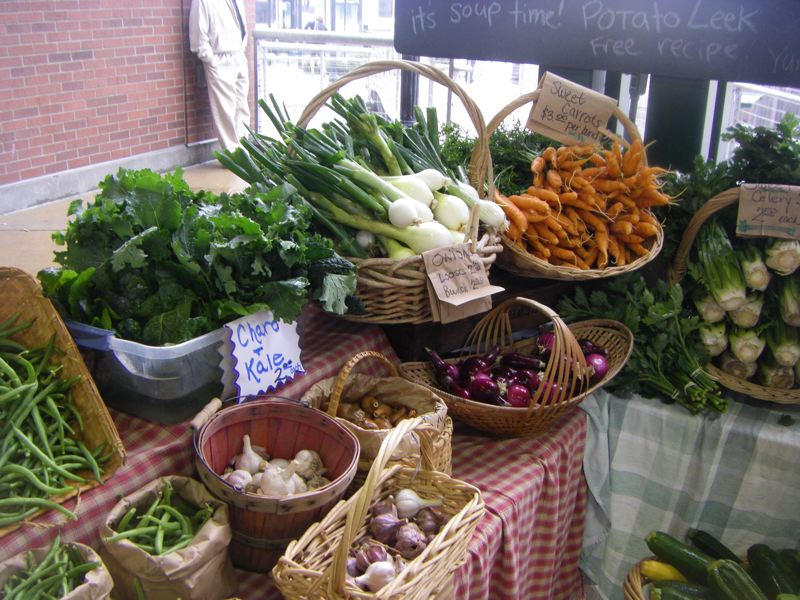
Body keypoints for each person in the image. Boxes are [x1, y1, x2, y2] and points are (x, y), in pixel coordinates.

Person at [189, 0, 251, 151]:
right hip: (219, 59)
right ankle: (233, 153)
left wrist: (242, 49)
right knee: (225, 111)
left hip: (238, 55)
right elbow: (198, 36)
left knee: (242, 106)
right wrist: (211, 60)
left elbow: (241, 23)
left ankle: (243, 149)